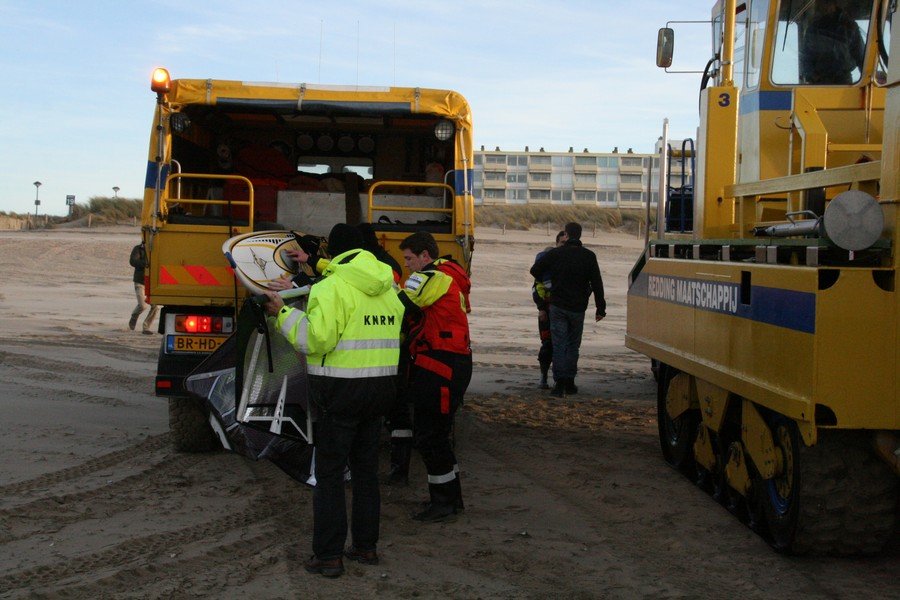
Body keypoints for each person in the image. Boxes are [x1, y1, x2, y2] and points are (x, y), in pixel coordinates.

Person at [262, 223, 404, 578]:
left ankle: (328, 556)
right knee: (367, 474)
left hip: (338, 392)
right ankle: (366, 548)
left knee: (329, 476)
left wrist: (282, 312)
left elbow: (316, 339)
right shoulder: (390, 286)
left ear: (337, 252)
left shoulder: (331, 288)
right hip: (380, 390)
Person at [398, 231, 472, 522]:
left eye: (409, 259)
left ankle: (443, 503)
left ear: (424, 256)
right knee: (437, 434)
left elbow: (401, 305)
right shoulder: (448, 276)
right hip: (450, 362)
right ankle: (451, 498)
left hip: (441, 363)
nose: (407, 266)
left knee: (430, 436)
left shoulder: (433, 277)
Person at [529, 222, 605, 397]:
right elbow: (597, 282)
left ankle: (559, 383)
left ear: (568, 235)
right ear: (580, 235)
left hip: (558, 306)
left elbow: (535, 270)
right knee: (573, 345)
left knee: (559, 344)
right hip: (578, 307)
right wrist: (601, 308)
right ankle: (570, 382)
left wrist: (550, 283)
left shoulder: (556, 253)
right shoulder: (588, 256)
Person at [799, 0, 866, 85]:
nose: (821, 7)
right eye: (819, 4)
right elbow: (806, 55)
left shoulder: (849, 26)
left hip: (843, 80)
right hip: (820, 80)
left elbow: (861, 56)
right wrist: (811, 75)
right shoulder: (814, 28)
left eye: (824, 3)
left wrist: (866, 77)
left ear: (833, 3)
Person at [532, 231, 566, 389]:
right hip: (547, 310)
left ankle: (560, 378)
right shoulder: (545, 265)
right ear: (557, 244)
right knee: (547, 344)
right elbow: (535, 289)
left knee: (563, 345)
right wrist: (541, 309)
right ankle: (543, 376)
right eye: (561, 243)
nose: (563, 247)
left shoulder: (569, 263)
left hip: (564, 310)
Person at [129, 241, 159, 334]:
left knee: (155, 307)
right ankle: (134, 316)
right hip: (140, 281)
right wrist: (145, 263)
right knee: (142, 305)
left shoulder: (157, 250)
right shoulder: (138, 248)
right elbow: (132, 261)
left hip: (152, 283)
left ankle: (146, 327)